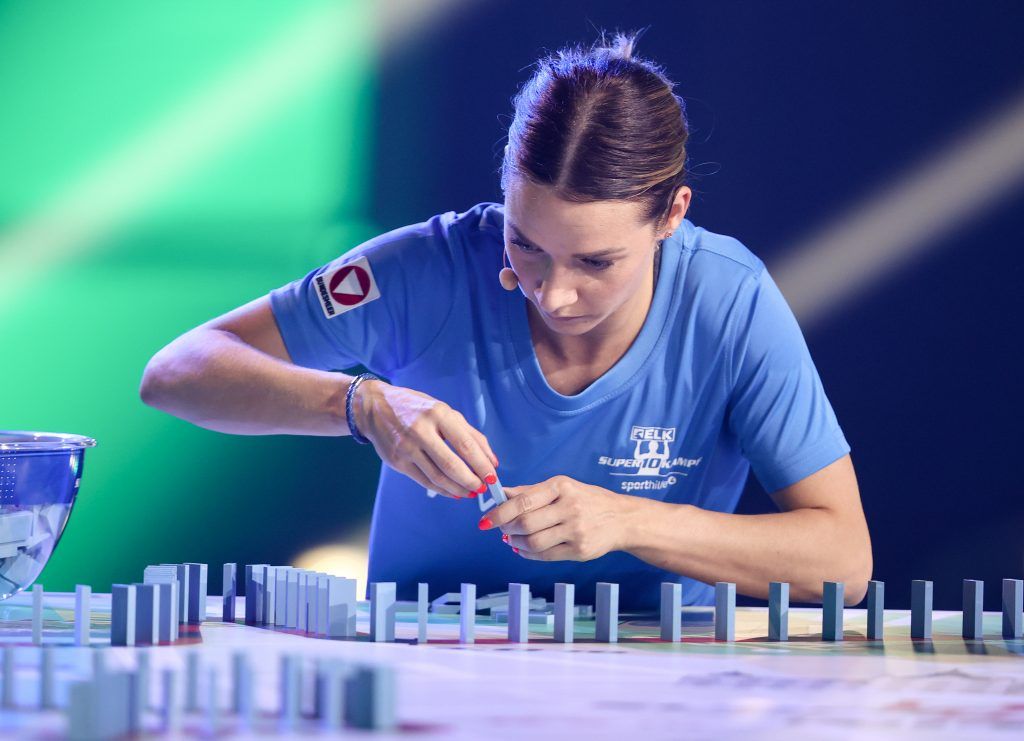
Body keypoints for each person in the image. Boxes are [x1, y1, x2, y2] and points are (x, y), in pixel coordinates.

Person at [140, 32, 871, 611]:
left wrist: (630, 521)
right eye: (525, 243)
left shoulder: (731, 300)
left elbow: (843, 562)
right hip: (419, 671)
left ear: (672, 216)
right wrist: (361, 404)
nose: (551, 294)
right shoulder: (429, 268)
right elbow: (175, 372)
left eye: (595, 262)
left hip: (654, 677)